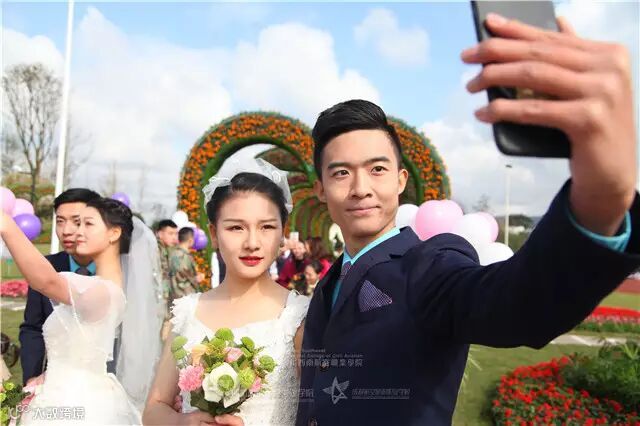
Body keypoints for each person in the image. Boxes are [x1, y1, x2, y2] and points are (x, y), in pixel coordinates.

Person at [296, 15, 639, 426]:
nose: (360, 188)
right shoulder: (329, 283)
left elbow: (519, 304)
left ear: (401, 180)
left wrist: (603, 196)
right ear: (320, 189)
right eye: (341, 173)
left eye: (377, 169)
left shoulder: (429, 266)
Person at [144, 159, 310, 426]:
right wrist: (186, 422)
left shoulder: (298, 316)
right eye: (236, 228)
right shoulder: (188, 312)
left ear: (282, 232)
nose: (252, 243)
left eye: (267, 227)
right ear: (213, 233)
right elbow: (154, 409)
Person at [2, 197, 163, 423]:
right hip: (61, 393)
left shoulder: (104, 292)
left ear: (114, 233)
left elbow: (46, 281)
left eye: (88, 224)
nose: (77, 231)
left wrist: (6, 225)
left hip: (77, 402)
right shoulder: (103, 287)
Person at [19, 188, 101, 387]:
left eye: (77, 221)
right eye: (60, 221)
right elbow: (33, 328)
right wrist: (32, 377)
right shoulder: (45, 267)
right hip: (53, 383)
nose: (66, 231)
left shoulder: (116, 273)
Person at [156, 219, 178, 340]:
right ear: (160, 234)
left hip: (164, 298)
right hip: (156, 300)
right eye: (170, 233)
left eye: (175, 234)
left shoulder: (167, 250)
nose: (174, 237)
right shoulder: (156, 250)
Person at [168, 227, 203, 303]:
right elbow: (183, 276)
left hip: (177, 297)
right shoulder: (183, 256)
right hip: (184, 297)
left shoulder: (173, 252)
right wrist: (197, 279)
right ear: (190, 240)